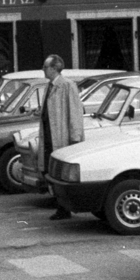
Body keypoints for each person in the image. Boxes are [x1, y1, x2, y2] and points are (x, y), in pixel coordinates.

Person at [39, 54, 85, 220]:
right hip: (50, 136)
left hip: (61, 137)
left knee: (60, 172)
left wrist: (75, 137)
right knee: (50, 171)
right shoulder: (49, 86)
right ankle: (60, 206)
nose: (43, 70)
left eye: (45, 67)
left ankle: (64, 208)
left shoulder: (67, 85)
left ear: (53, 68)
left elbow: (74, 112)